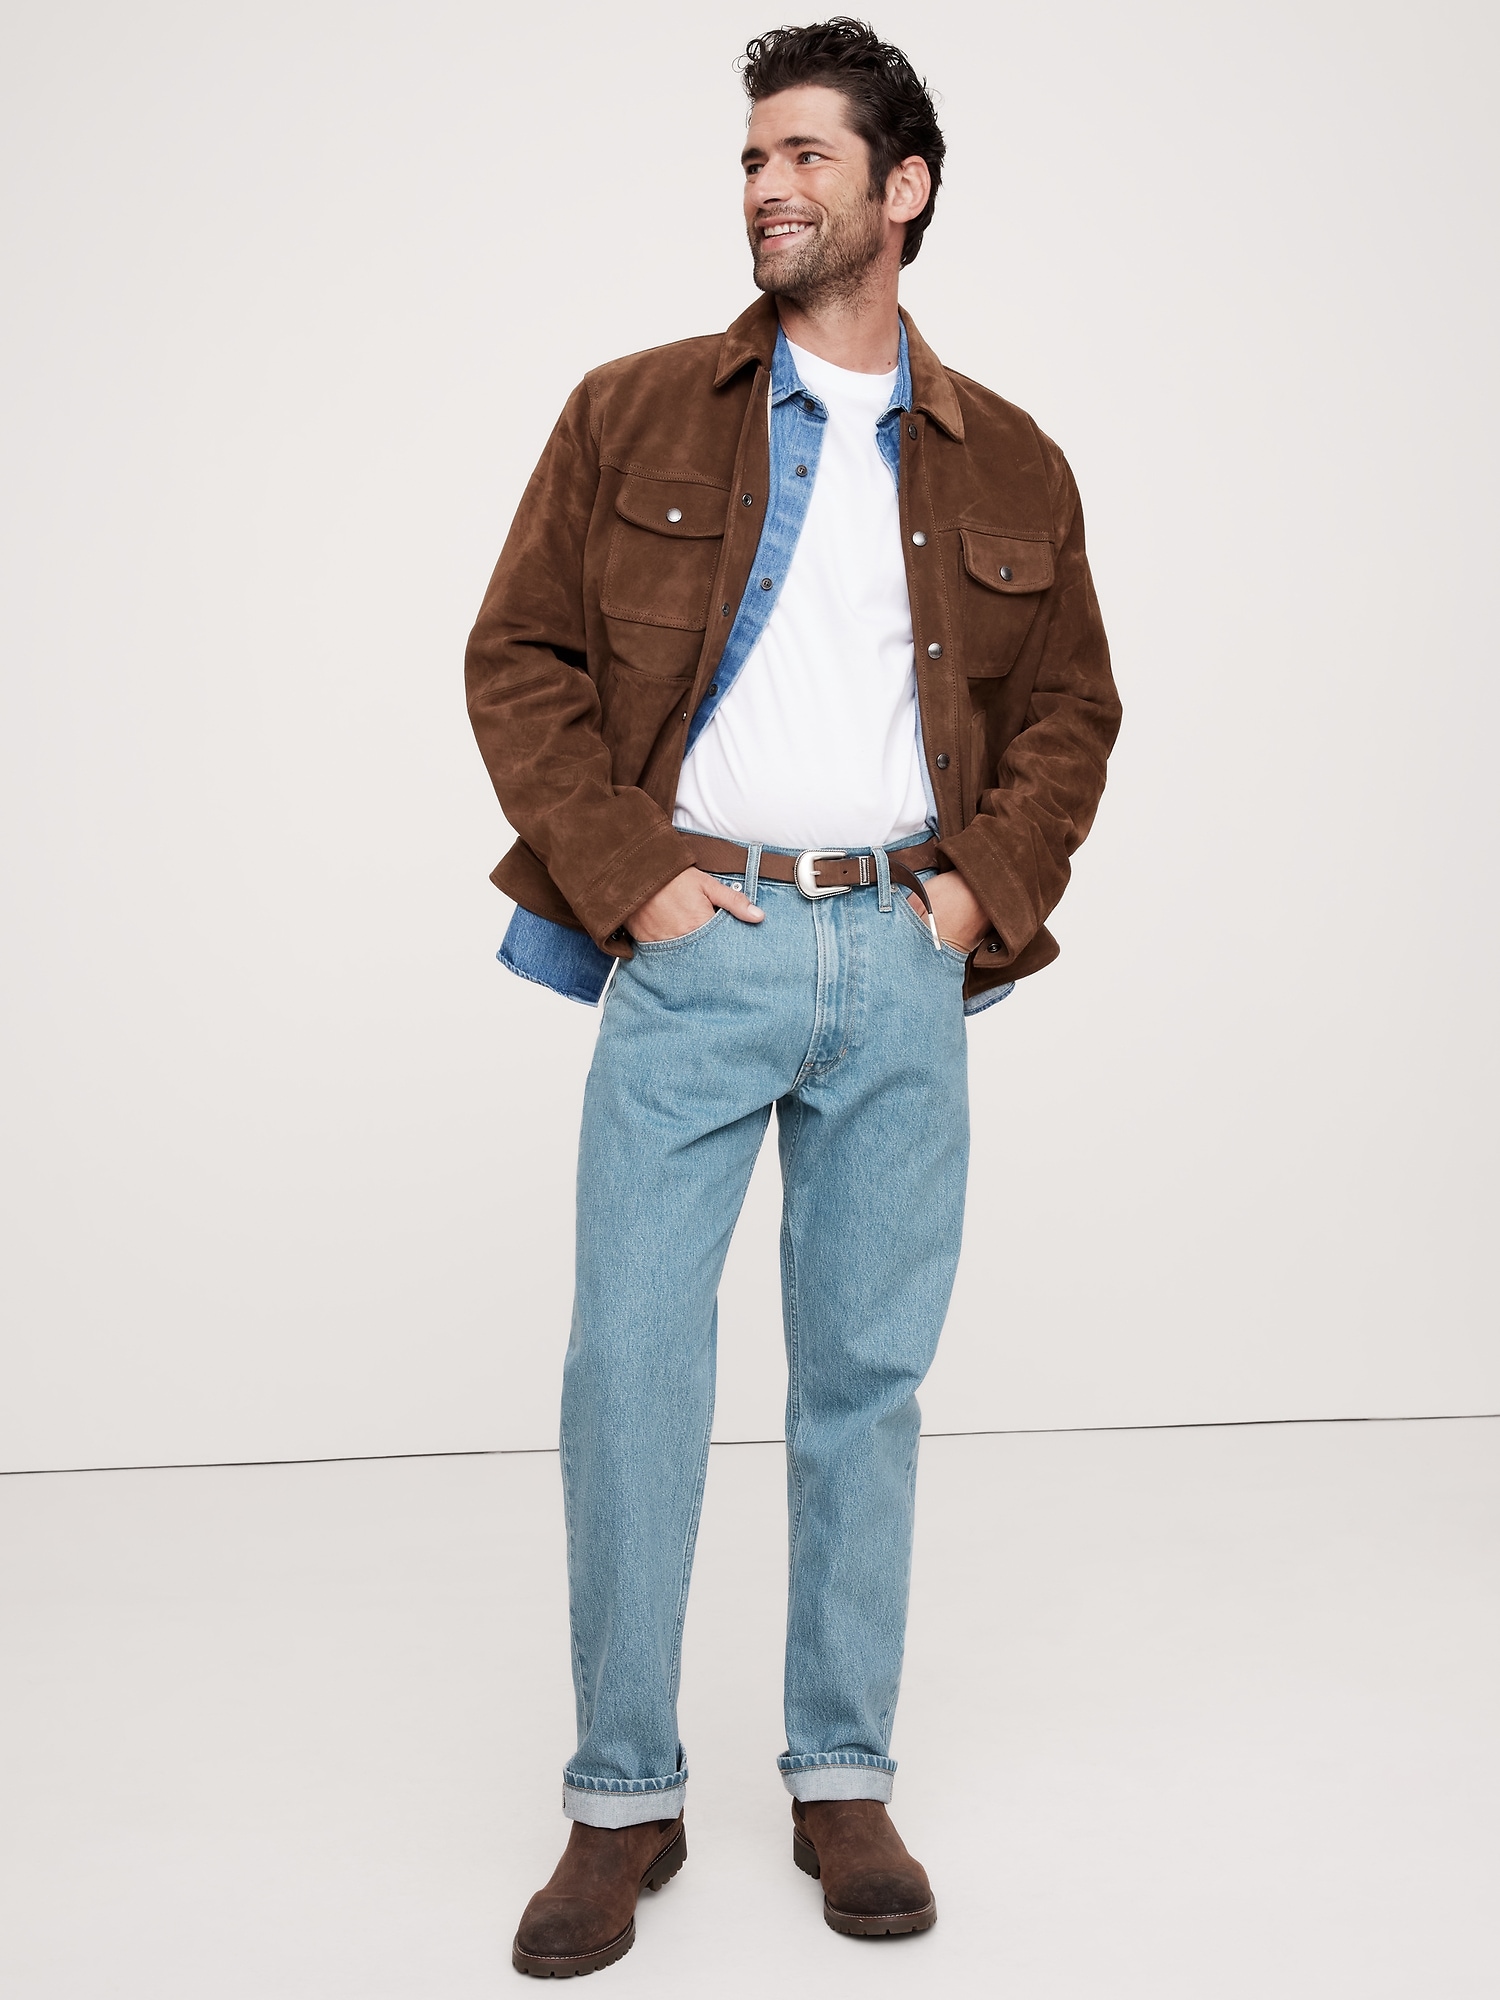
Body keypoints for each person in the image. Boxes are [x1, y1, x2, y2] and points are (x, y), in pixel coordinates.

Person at [465, 17, 1120, 1977]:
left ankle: (842, 1773)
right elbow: (520, 660)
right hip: (701, 945)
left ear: (900, 189)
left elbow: (1073, 711)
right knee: (630, 1372)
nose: (767, 186)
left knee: (864, 1385)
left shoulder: (1014, 457)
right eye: (753, 157)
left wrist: (973, 894)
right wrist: (634, 884)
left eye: (806, 156)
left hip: (901, 957)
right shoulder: (633, 414)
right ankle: (622, 1798)